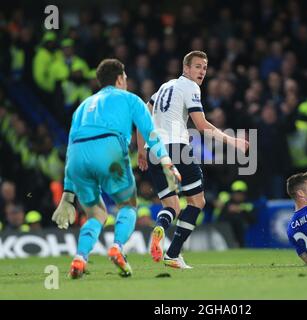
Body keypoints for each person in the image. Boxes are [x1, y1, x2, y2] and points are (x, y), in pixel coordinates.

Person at [51, 58, 181, 279]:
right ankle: (117, 247)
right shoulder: (130, 99)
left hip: (77, 158)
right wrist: (167, 162)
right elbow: (150, 134)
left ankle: (80, 258)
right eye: (126, 78)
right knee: (127, 206)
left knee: (96, 213)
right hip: (109, 149)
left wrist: (67, 193)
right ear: (120, 78)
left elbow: (72, 145)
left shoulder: (82, 106)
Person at [137, 51, 248, 268]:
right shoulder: (190, 87)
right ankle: (173, 253)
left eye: (204, 68)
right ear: (186, 69)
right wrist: (233, 141)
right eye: (197, 66)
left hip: (154, 151)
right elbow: (202, 125)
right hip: (176, 148)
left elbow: (143, 116)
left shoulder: (163, 88)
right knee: (197, 202)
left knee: (172, 206)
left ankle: (160, 226)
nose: (202, 72)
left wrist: (142, 151)